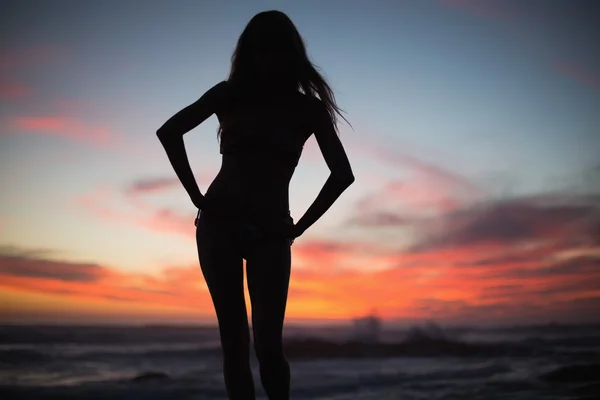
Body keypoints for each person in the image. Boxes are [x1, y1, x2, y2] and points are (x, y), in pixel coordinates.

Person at [156, 10, 355, 400]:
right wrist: (197, 197)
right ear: (250, 53)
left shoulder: (307, 110)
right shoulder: (227, 95)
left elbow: (342, 174)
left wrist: (298, 227)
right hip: (219, 226)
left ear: (290, 54)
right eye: (261, 50)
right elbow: (169, 132)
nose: (269, 59)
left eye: (277, 50)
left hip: (271, 231)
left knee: (268, 347)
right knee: (234, 344)